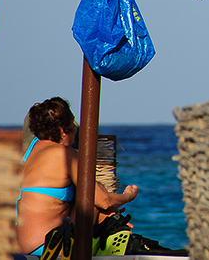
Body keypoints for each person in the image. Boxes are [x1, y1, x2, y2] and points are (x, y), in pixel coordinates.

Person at [16, 97, 139, 256]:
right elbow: (104, 201)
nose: (76, 132)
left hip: (21, 246)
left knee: (94, 200)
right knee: (93, 203)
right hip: (49, 247)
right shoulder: (66, 155)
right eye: (73, 127)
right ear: (62, 130)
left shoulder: (29, 154)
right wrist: (128, 196)